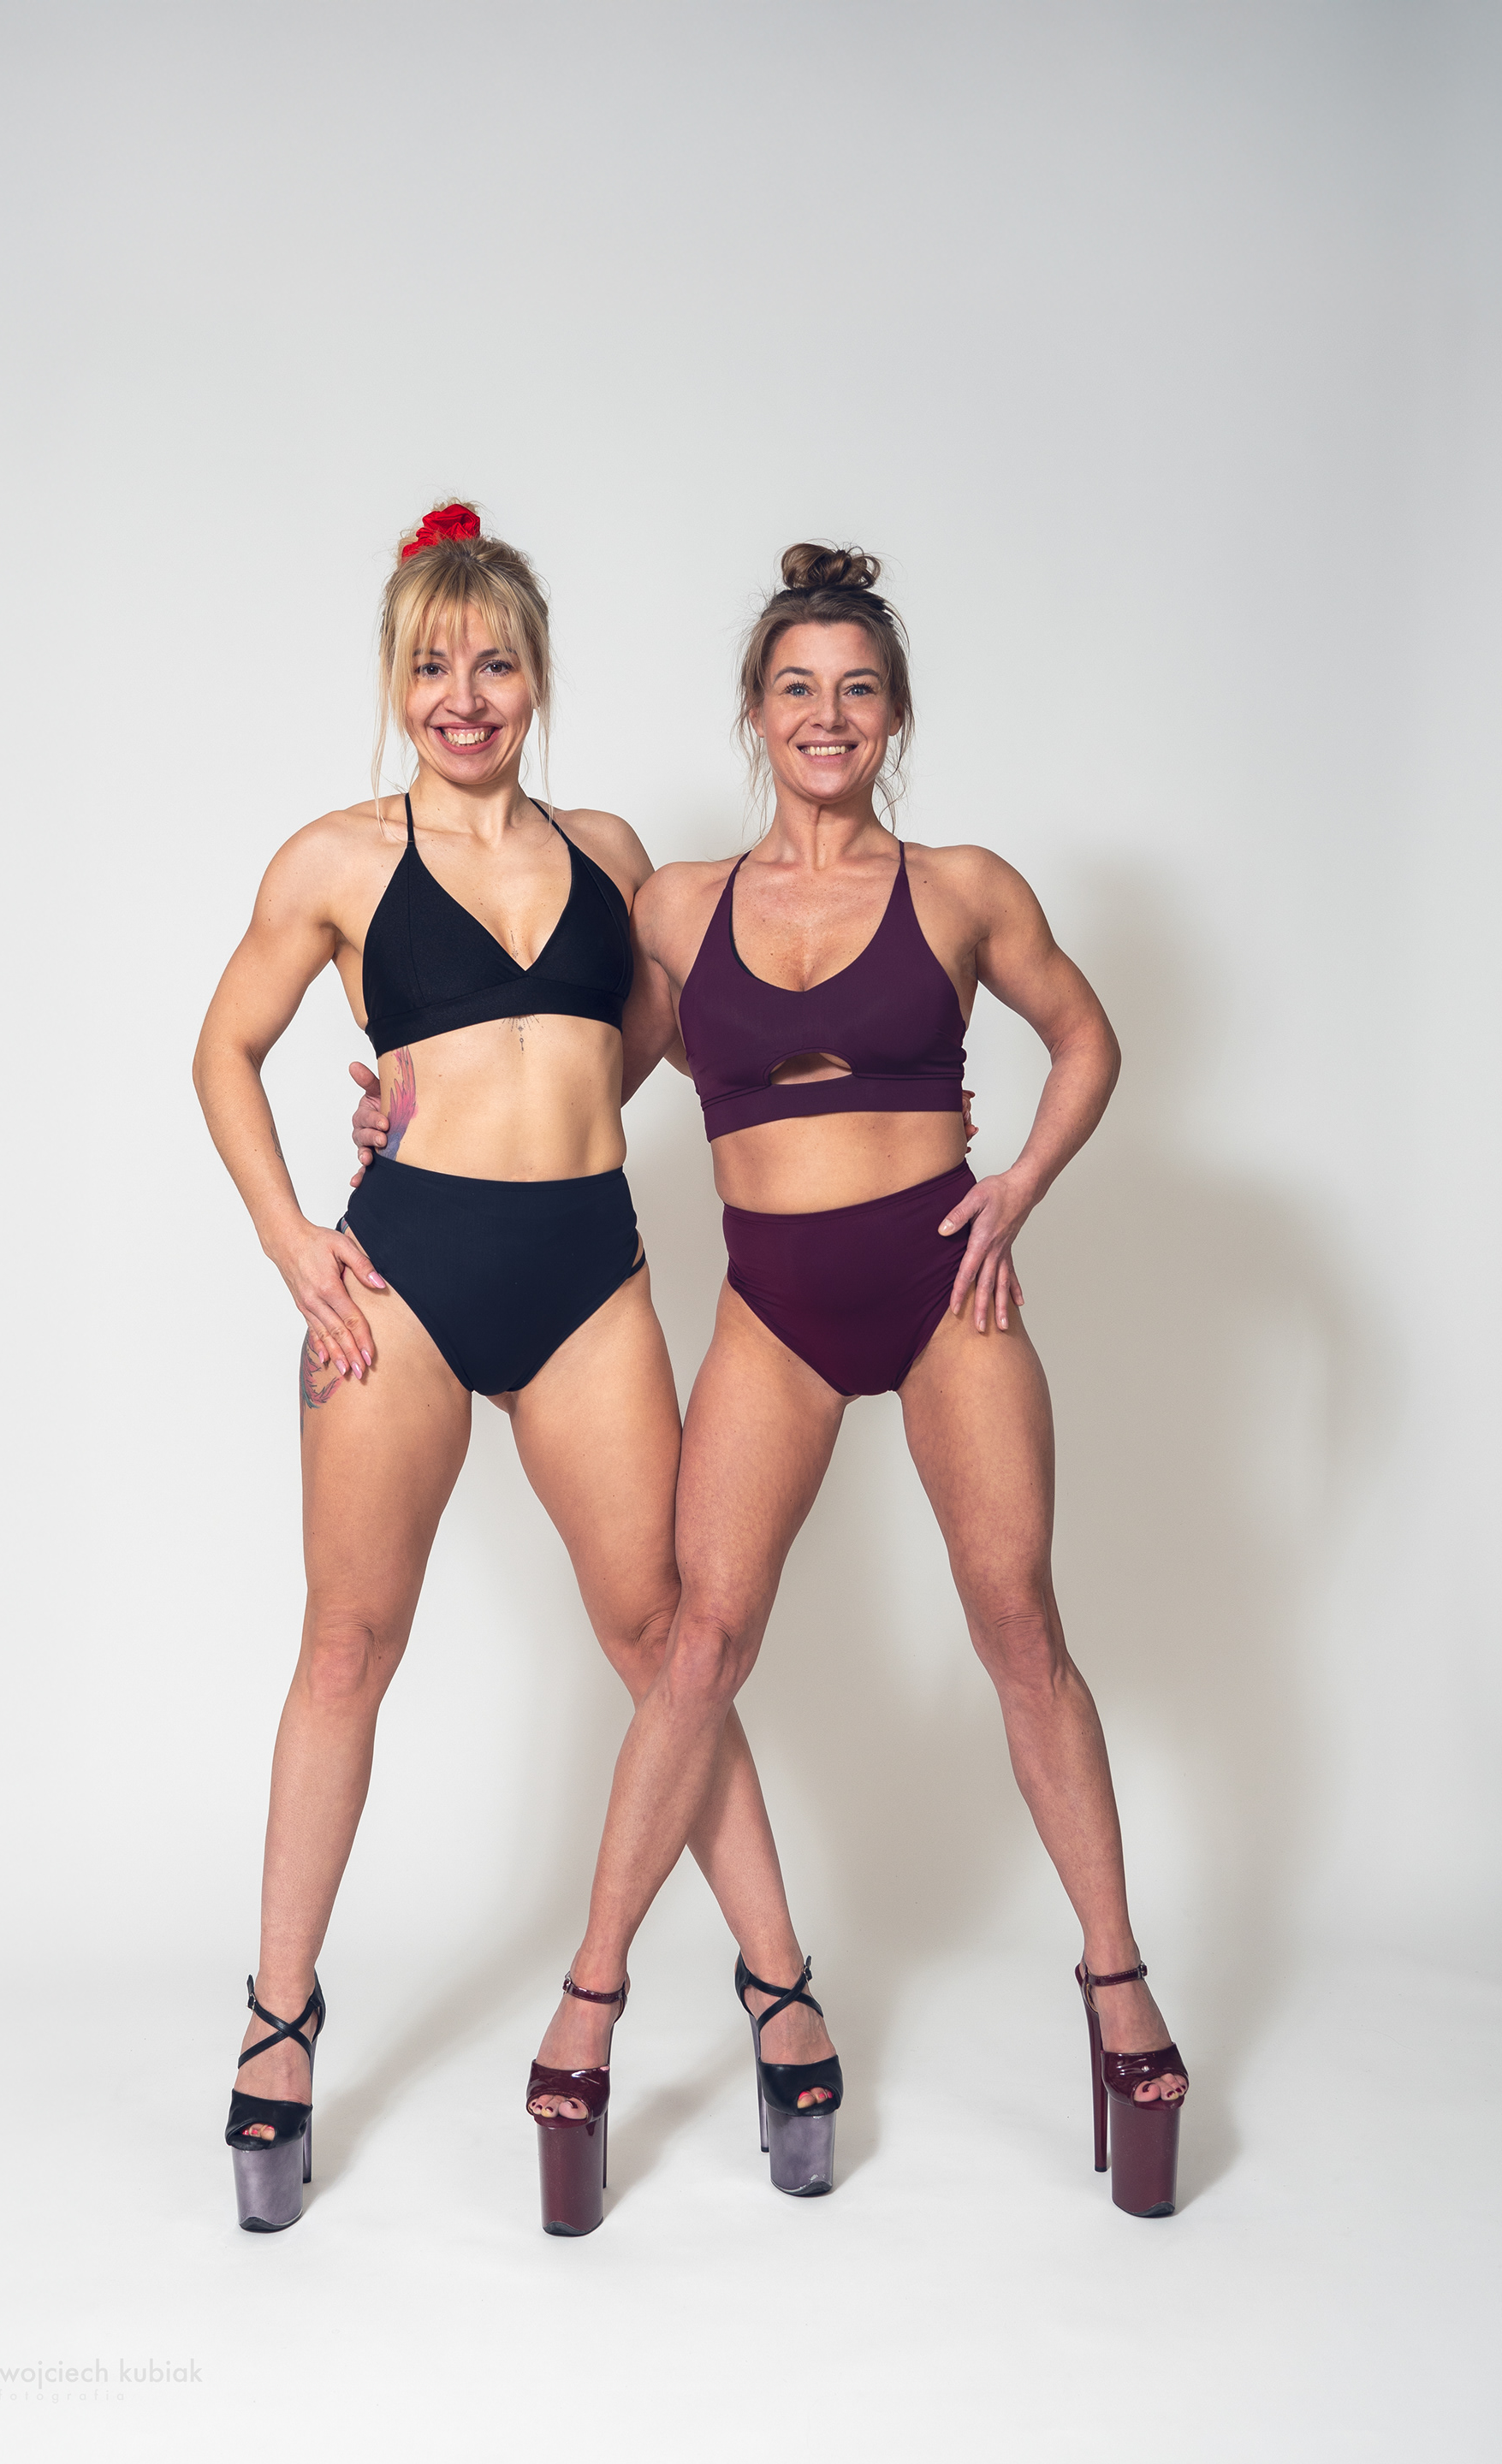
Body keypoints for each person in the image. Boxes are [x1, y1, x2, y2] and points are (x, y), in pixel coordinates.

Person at [510, 542, 1189, 2217]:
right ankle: (591, 2007)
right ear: (756, 713)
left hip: (946, 1293)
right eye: (798, 688)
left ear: (893, 717)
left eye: (858, 690)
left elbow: (1088, 1036)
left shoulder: (960, 887)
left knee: (1018, 1625)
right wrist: (410, 1116)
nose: (828, 716)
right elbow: (575, 1081)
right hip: (779, 1310)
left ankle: (1117, 1990)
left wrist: (1018, 1186)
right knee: (700, 1643)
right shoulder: (680, 907)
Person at [193, 504, 822, 2238]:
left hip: (583, 1277)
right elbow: (223, 1049)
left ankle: (781, 1988)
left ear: (536, 675)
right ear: (396, 682)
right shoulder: (336, 858)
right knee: (348, 1645)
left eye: (493, 663)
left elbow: (658, 1037)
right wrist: (292, 1239)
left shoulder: (612, 852)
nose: (463, 695)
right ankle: (276, 2021)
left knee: (666, 1640)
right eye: (431, 665)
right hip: (400, 1279)